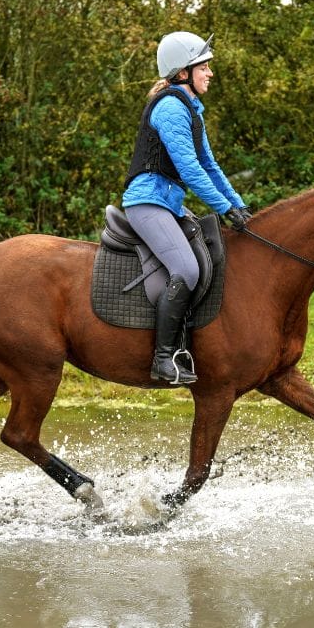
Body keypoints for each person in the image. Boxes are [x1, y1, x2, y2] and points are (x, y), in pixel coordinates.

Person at [122, 31, 251, 385]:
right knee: (186, 269)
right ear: (183, 73)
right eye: (203, 67)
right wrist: (223, 207)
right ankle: (163, 360)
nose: (210, 73)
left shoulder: (191, 110)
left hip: (168, 204)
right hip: (147, 202)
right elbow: (190, 169)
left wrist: (238, 205)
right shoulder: (170, 108)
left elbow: (209, 165)